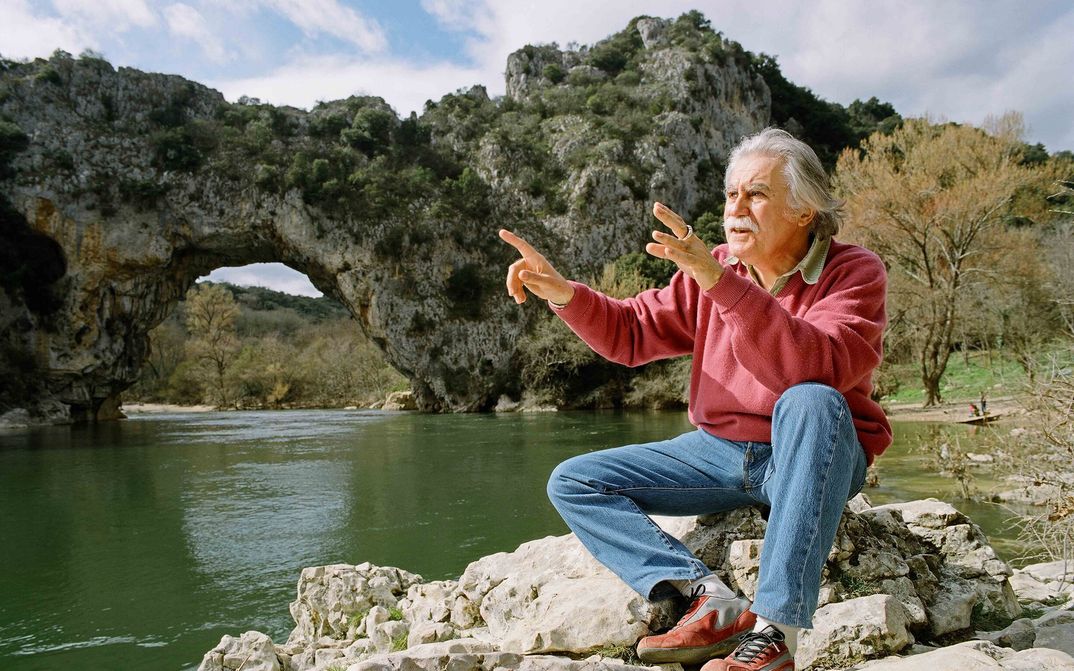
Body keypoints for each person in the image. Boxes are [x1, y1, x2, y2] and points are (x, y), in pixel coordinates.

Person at [499, 128, 890, 671]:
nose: (737, 208)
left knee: (812, 401)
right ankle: (707, 598)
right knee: (574, 481)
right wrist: (564, 292)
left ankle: (776, 633)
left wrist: (716, 280)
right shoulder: (716, 269)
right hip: (719, 452)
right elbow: (631, 332)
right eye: (731, 194)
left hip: (810, 451)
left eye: (756, 194)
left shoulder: (853, 272)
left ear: (803, 210)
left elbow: (814, 366)